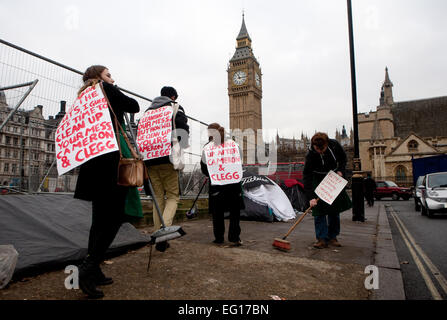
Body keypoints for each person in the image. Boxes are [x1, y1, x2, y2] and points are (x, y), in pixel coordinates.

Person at [74, 65, 140, 298]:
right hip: (111, 164)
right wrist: (113, 87)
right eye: (109, 75)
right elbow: (134, 106)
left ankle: (95, 269)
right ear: (98, 78)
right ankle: (88, 268)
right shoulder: (104, 89)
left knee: (99, 220)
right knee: (113, 219)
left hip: (92, 165)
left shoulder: (82, 98)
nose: (113, 78)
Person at [143, 86, 189, 252]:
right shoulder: (175, 107)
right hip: (167, 157)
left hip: (149, 159)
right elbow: (183, 130)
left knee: (158, 199)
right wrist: (183, 146)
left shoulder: (148, 112)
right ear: (173, 96)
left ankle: (157, 233)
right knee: (172, 196)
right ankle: (163, 233)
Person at [303, 132, 352, 249]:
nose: (320, 151)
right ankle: (321, 238)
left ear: (327, 143)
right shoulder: (310, 155)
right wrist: (311, 197)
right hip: (317, 179)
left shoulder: (334, 145)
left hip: (332, 177)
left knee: (334, 210)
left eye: (322, 148)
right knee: (318, 211)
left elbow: (343, 159)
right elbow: (307, 176)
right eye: (317, 149)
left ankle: (332, 237)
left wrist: (340, 170)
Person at [200, 123, 244, 246]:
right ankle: (234, 237)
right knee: (235, 212)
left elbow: (203, 168)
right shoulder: (235, 145)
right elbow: (240, 162)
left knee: (217, 212)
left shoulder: (207, 148)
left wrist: (213, 174)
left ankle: (219, 237)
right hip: (233, 184)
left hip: (216, 184)